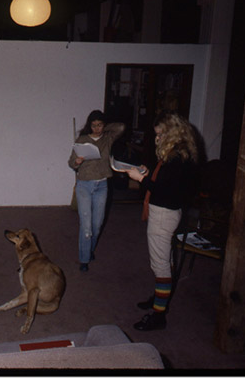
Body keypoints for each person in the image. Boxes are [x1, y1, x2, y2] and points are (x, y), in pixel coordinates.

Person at [127, 112, 198, 331]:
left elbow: (163, 191)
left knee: (160, 264)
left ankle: (159, 315)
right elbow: (168, 183)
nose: (157, 139)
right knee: (164, 259)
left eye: (160, 134)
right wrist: (149, 174)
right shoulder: (180, 152)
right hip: (170, 212)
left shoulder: (176, 157)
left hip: (163, 214)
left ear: (171, 133)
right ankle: (160, 297)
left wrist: (141, 180)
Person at [68, 110, 124, 272]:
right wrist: (77, 162)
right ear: (89, 125)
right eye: (93, 125)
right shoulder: (82, 140)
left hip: (102, 185)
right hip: (84, 185)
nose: (97, 128)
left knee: (97, 225)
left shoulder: (108, 138)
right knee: (86, 226)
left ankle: (89, 250)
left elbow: (121, 127)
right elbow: (71, 163)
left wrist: (106, 128)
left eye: (100, 125)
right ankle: (84, 259)